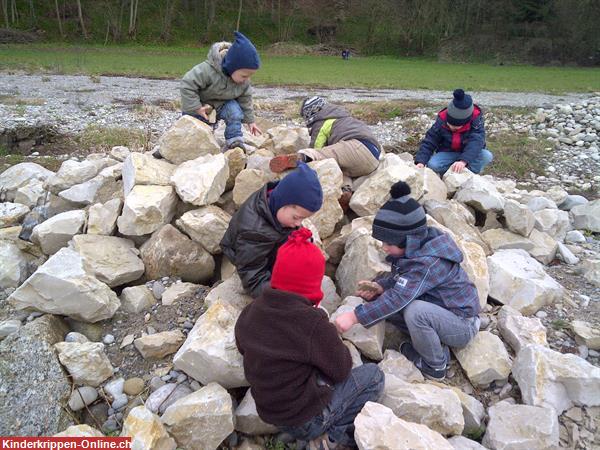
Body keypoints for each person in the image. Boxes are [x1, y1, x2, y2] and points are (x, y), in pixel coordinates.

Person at [235, 227, 384, 449]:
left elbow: (243, 347)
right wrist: (330, 332)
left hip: (268, 411)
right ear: (312, 286)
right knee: (373, 376)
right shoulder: (312, 322)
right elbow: (341, 368)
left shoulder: (251, 312)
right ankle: (329, 438)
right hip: (305, 418)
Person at [334, 181, 481, 381]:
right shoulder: (417, 249)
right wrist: (381, 287)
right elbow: (403, 280)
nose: (384, 248)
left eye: (389, 243)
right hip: (441, 310)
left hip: (462, 324)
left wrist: (353, 317)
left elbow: (399, 297)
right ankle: (436, 342)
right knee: (389, 303)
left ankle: (435, 365)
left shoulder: (429, 262)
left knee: (415, 312)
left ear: (409, 240)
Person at [220, 162, 323, 298]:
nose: (298, 224)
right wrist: (280, 295)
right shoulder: (253, 231)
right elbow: (253, 277)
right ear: (283, 202)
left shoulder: (275, 204)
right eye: (296, 217)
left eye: (302, 219)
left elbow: (291, 229)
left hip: (269, 241)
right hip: (248, 256)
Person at [180, 31, 262, 150]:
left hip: (223, 105)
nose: (247, 80)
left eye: (250, 76)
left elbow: (246, 100)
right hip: (201, 106)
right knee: (193, 127)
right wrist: (196, 107)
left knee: (235, 112)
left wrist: (250, 121)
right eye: (244, 76)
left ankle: (234, 141)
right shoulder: (207, 70)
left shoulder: (243, 82)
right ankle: (171, 146)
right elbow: (187, 84)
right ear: (232, 67)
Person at [269, 96, 381, 179]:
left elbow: (317, 147)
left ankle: (299, 158)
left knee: (317, 154)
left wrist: (307, 152)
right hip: (373, 159)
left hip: (356, 147)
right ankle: (346, 191)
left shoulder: (323, 122)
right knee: (339, 170)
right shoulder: (343, 117)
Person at [414, 88, 493, 176]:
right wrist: (421, 161)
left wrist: (464, 160)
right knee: (433, 164)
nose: (451, 127)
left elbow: (476, 142)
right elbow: (430, 141)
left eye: (455, 127)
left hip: (468, 154)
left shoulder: (476, 121)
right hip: (448, 154)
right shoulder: (441, 119)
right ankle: (448, 175)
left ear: (465, 123)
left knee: (486, 156)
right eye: (449, 124)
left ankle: (468, 174)